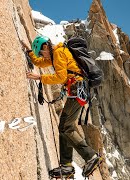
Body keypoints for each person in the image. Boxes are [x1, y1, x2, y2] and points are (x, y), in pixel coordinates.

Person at [21, 35, 103, 179]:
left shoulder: (58, 53)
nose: (41, 54)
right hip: (77, 90)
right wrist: (29, 51)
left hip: (77, 89)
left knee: (66, 127)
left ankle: (90, 156)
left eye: (41, 51)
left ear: (46, 47)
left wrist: (39, 78)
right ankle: (66, 166)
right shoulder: (54, 54)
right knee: (64, 127)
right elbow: (40, 63)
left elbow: (60, 77)